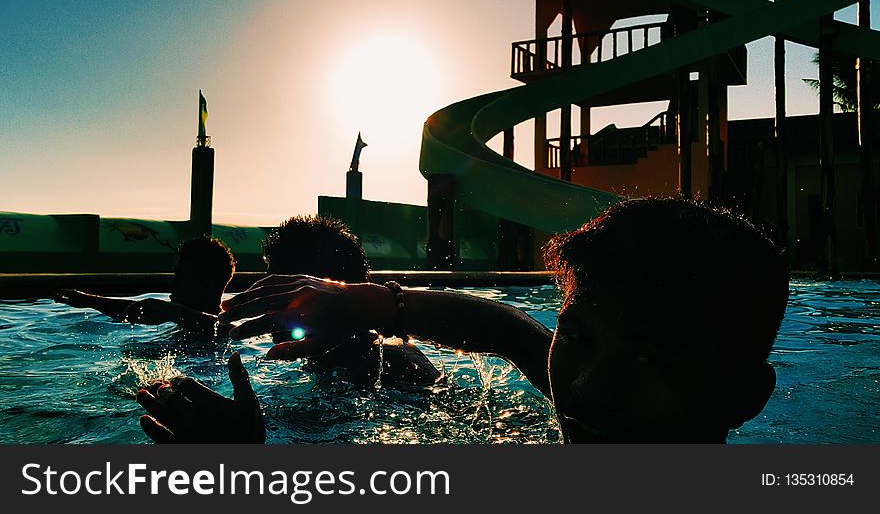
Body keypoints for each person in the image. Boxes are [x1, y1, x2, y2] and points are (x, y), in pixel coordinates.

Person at [138, 198, 788, 443]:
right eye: (579, 336)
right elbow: (512, 334)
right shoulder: (591, 407)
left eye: (650, 359)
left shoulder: (394, 368)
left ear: (742, 397)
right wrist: (374, 302)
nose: (588, 384)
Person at [260, 214, 442, 388]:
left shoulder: (387, 364)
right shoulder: (332, 356)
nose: (265, 306)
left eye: (278, 294)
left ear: (323, 295)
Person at [54, 236, 235, 335]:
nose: (172, 283)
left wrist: (173, 311)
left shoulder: (229, 333)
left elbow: (227, 329)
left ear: (207, 285)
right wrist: (87, 300)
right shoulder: (183, 322)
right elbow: (136, 309)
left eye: (181, 276)